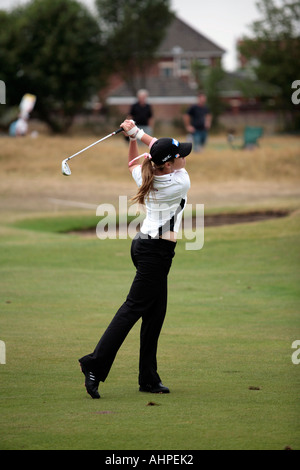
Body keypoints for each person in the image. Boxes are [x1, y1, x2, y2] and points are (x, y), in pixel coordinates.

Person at [78, 119, 192, 398]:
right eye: (180, 156)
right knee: (132, 309)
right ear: (168, 165)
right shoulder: (179, 182)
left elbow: (137, 161)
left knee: (155, 316)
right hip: (154, 253)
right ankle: (95, 364)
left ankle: (149, 379)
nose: (184, 158)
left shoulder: (149, 173)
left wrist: (133, 137)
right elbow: (155, 147)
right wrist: (138, 134)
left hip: (144, 246)